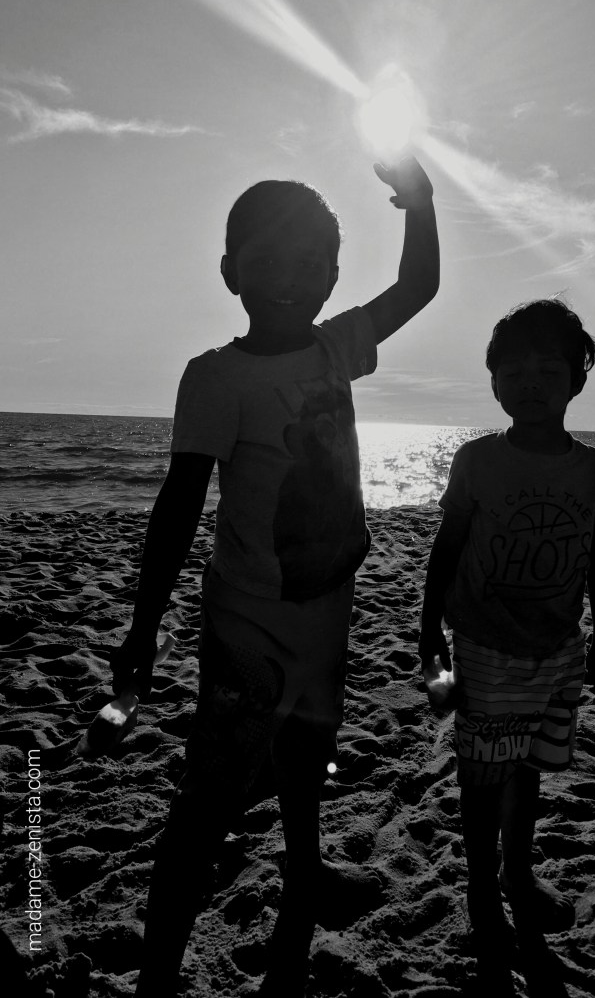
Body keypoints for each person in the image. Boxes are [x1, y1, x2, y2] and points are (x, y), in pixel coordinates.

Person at [110, 156, 439, 997]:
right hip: (246, 626)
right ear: (230, 273)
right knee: (211, 794)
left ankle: (302, 877)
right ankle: (158, 969)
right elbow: (179, 504)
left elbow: (418, 286)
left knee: (305, 761)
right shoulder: (218, 377)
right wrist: (142, 627)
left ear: (333, 273)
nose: (289, 281)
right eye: (267, 262)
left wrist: (421, 202)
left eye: (311, 263)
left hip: (328, 611)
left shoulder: (340, 347)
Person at [419, 299, 595, 954]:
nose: (530, 384)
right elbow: (447, 545)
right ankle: (483, 891)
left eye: (547, 370)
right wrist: (429, 632)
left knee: (530, 768)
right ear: (493, 382)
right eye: (513, 372)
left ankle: (517, 874)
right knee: (483, 777)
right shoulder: (477, 460)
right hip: (483, 645)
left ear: (576, 379)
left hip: (557, 651)